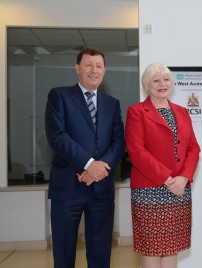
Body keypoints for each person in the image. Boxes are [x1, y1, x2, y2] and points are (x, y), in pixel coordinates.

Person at [45, 47, 125, 268]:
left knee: (101, 253)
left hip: (101, 190)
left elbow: (119, 142)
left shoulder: (112, 104)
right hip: (68, 187)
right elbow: (57, 137)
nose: (94, 70)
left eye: (99, 66)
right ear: (77, 68)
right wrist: (89, 164)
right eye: (88, 65)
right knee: (64, 252)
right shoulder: (59, 96)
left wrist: (99, 171)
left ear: (105, 71)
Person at [125, 63, 200, 268]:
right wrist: (168, 180)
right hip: (150, 189)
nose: (162, 84)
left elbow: (193, 149)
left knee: (171, 246)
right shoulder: (137, 111)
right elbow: (136, 152)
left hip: (179, 189)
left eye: (166, 79)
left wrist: (183, 178)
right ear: (147, 85)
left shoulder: (183, 112)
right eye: (156, 80)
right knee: (151, 247)